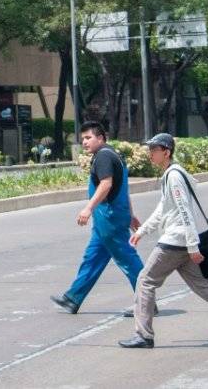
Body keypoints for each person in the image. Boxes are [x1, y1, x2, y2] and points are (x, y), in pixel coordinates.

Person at [119, 134, 208, 349]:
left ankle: (144, 335)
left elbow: (185, 212)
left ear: (167, 152)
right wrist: (142, 231)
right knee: (201, 285)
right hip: (182, 240)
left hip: (175, 240)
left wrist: (192, 246)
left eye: (154, 149)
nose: (150, 153)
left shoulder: (173, 176)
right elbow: (163, 209)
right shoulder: (171, 175)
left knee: (145, 281)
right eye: (150, 149)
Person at [50, 122, 143, 315]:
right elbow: (123, 188)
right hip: (110, 218)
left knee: (127, 259)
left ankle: (146, 303)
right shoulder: (114, 154)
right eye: (83, 138)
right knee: (92, 258)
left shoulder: (103, 157)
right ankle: (73, 298)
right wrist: (131, 214)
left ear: (100, 138)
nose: (84, 142)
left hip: (109, 218)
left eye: (88, 138)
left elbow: (107, 184)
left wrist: (88, 208)